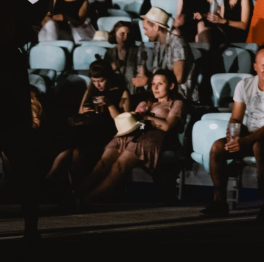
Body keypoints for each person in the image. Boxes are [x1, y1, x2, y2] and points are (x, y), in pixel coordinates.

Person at [73, 69, 184, 205]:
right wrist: (137, 115)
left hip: (153, 137)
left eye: (160, 84)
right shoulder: (146, 102)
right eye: (153, 84)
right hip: (133, 132)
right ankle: (75, 194)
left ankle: (86, 200)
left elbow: (167, 126)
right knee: (102, 164)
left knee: (119, 165)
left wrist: (146, 117)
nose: (155, 87)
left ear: (171, 86)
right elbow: (132, 120)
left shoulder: (176, 103)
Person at [201, 49, 264, 220]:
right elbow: (236, 117)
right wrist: (232, 135)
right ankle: (219, 201)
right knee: (217, 147)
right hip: (250, 134)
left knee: (259, 145)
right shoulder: (245, 85)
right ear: (255, 67)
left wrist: (245, 140)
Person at [136, 7, 196, 102]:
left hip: (180, 97)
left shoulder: (177, 43)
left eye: (146, 29)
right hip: (163, 95)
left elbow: (178, 78)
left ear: (156, 27)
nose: (145, 33)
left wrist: (148, 80)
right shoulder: (157, 45)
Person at [104, 20, 143, 95]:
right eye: (122, 34)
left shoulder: (138, 51)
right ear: (114, 34)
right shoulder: (109, 53)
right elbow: (103, 75)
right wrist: (110, 68)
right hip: (115, 92)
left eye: (128, 34)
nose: (125, 38)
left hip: (133, 92)